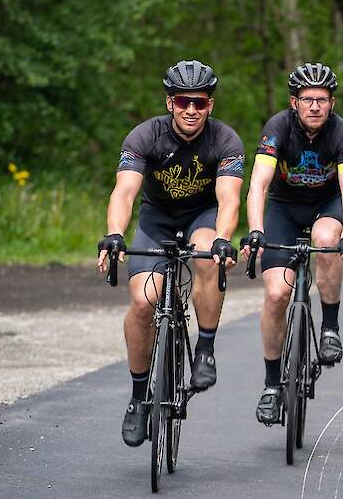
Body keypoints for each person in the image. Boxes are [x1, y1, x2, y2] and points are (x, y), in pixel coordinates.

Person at [97, 60, 244, 447]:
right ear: (170, 102)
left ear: (210, 105)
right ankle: (137, 398)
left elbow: (229, 199)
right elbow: (125, 191)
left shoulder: (225, 140)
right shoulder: (145, 136)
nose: (191, 110)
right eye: (183, 101)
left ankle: (205, 350)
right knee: (143, 302)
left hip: (203, 217)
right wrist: (114, 233)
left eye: (199, 102)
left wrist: (223, 239)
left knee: (204, 254)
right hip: (156, 220)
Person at [240, 62, 343, 425]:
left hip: (327, 207)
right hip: (284, 208)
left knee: (327, 239)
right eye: (307, 99)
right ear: (294, 102)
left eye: (322, 100)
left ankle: (330, 328)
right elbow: (259, 184)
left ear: (332, 102)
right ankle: (271, 384)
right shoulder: (277, 128)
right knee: (277, 294)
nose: (314, 106)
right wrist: (256, 230)